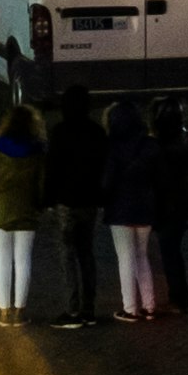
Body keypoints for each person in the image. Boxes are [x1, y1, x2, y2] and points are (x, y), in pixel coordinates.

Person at [43, 79, 114, 328]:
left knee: (67, 256)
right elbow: (104, 167)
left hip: (66, 202)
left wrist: (47, 199)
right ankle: (89, 308)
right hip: (90, 202)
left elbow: (51, 169)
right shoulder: (96, 133)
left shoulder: (60, 132)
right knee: (87, 255)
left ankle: (72, 310)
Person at [0, 98, 49, 326]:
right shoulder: (37, 151)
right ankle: (20, 311)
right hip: (26, 212)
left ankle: (4, 312)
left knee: (3, 261)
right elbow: (42, 184)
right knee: (23, 260)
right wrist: (39, 206)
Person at [101, 98, 164, 321]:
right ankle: (149, 305)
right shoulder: (150, 144)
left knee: (125, 258)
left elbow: (107, 180)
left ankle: (130, 308)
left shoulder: (112, 146)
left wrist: (103, 198)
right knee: (141, 255)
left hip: (120, 208)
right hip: (145, 206)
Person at [143, 96, 188, 314]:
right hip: (183, 199)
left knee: (169, 251)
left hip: (161, 200)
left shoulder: (153, 142)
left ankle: (178, 298)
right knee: (173, 250)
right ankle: (179, 296)